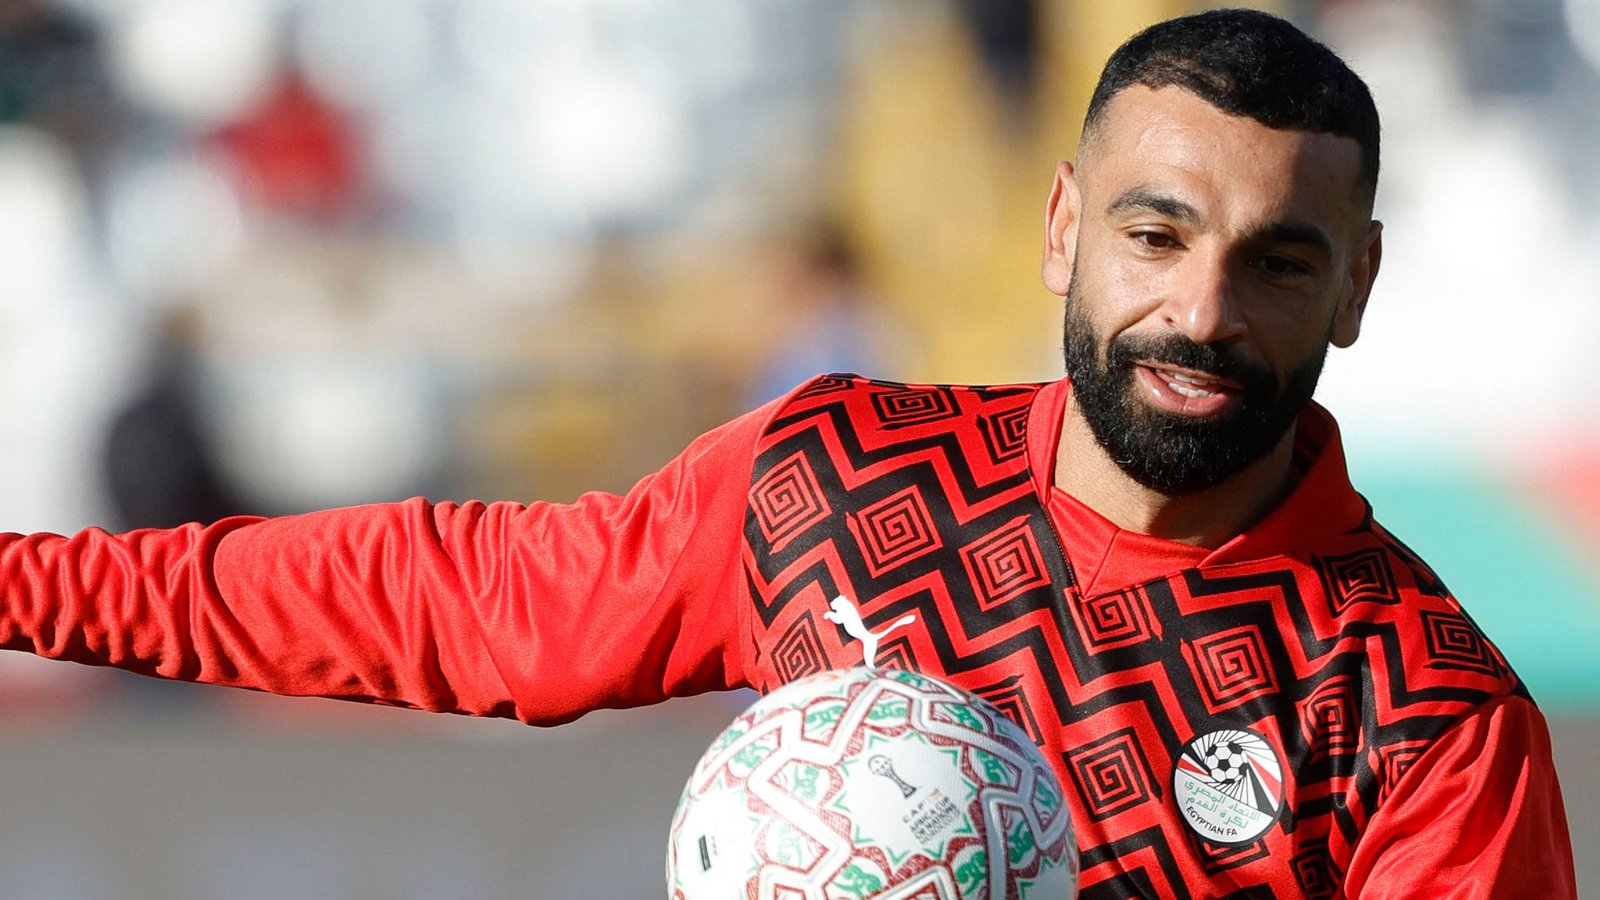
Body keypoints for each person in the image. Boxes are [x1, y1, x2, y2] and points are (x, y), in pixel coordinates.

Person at [0, 9, 1575, 897]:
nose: (1201, 309)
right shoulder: (842, 480)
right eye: (1155, 234)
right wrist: (27, 586)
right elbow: (453, 599)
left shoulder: (1425, 715)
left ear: (1358, 284)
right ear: (1061, 230)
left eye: (1278, 260)